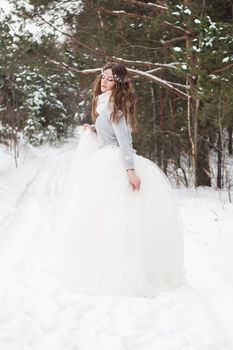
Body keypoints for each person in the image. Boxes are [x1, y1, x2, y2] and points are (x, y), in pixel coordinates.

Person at [55, 62, 184, 298]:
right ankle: (103, 267)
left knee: (120, 219)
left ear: (119, 84)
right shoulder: (104, 102)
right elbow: (109, 133)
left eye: (110, 79)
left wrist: (130, 170)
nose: (104, 82)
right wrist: (93, 129)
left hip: (115, 162)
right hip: (104, 159)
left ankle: (123, 272)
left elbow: (124, 141)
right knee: (103, 218)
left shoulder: (116, 106)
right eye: (102, 77)